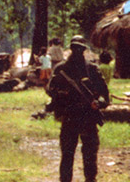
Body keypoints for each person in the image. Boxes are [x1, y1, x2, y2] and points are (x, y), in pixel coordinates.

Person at [46, 36, 110, 182]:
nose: (77, 51)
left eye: (80, 48)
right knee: (67, 155)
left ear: (83, 49)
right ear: (70, 48)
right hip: (69, 116)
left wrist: (98, 104)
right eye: (74, 48)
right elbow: (50, 89)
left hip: (88, 117)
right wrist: (62, 94)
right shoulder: (61, 69)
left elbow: (105, 96)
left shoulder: (92, 69)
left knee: (90, 155)